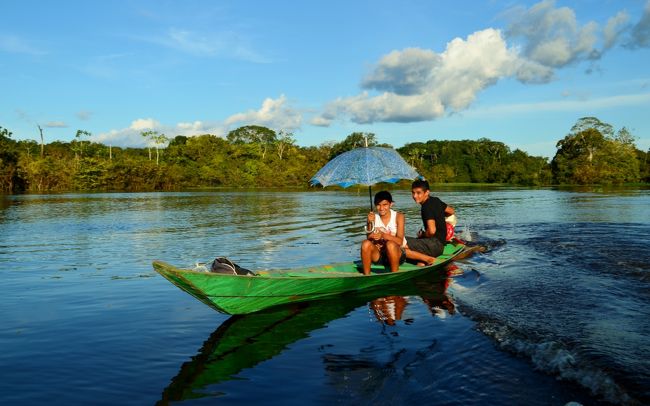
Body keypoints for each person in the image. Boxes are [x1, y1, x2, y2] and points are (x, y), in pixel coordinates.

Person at [404, 179, 455, 265]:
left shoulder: (426, 207)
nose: (415, 196)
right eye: (413, 192)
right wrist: (439, 216)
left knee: (398, 242)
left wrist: (423, 234)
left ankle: (427, 259)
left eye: (418, 193)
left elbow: (432, 231)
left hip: (433, 245)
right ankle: (420, 262)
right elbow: (451, 211)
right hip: (440, 245)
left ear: (427, 192)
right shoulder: (436, 200)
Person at [360, 191, 406, 275]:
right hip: (379, 255)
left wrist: (383, 235)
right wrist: (369, 222)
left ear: (391, 204)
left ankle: (395, 275)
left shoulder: (399, 216)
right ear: (375, 205)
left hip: (396, 254)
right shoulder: (372, 217)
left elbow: (400, 241)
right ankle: (366, 275)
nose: (381, 208)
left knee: (390, 245)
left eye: (385, 205)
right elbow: (369, 238)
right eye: (378, 205)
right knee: (365, 244)